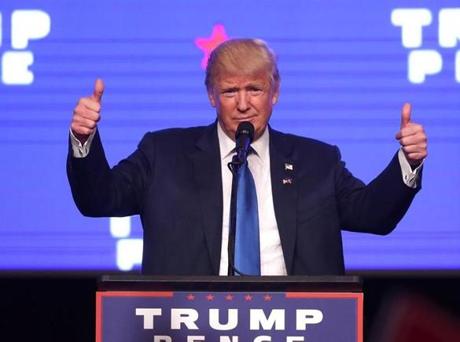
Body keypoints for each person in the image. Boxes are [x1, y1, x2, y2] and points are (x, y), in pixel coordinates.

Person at [67, 39, 427, 276]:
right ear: (211, 95)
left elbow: (374, 215)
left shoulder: (318, 162)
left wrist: (407, 162)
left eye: (254, 89)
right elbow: (99, 198)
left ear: (275, 93)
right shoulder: (163, 155)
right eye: (229, 91)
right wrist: (85, 140)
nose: (243, 104)